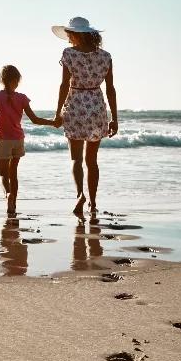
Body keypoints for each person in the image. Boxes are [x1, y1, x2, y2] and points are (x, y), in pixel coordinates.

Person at [0, 65, 58, 213]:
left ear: (2, 80)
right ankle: (13, 203)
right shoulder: (22, 98)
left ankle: (8, 194)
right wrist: (52, 122)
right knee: (13, 173)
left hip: (3, 141)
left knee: (3, 174)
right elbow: (34, 119)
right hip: (18, 139)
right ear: (17, 80)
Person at [51, 17, 118, 217]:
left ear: (75, 35)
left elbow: (64, 85)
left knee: (76, 159)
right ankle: (94, 203)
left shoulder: (69, 54)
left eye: (70, 35)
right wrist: (114, 117)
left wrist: (58, 113)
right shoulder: (105, 56)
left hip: (75, 106)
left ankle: (80, 195)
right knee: (92, 160)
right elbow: (111, 89)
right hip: (97, 106)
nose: (69, 39)